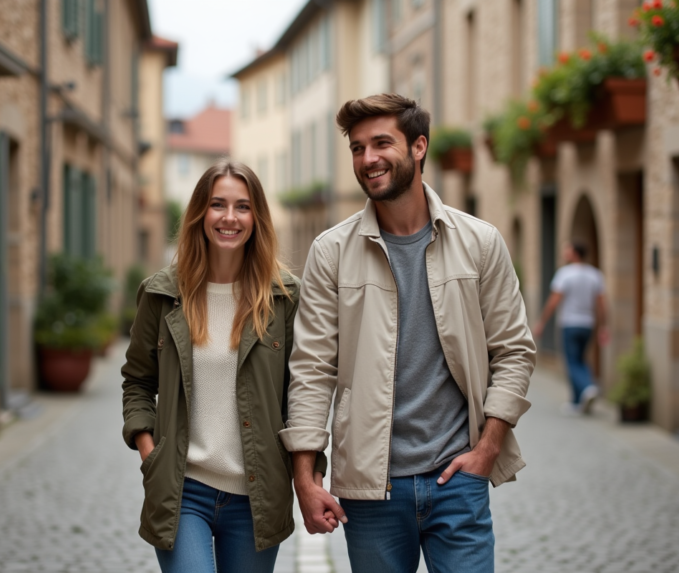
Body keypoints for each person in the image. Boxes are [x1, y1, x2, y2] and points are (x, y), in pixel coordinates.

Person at [279, 94, 536, 573]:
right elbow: (311, 369)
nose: (368, 159)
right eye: (357, 148)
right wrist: (306, 477)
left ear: (419, 147)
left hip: (457, 478)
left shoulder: (480, 242)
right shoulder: (330, 252)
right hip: (371, 489)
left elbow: (515, 351)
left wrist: (488, 447)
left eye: (381, 143)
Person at [121, 161, 323, 573]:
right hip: (181, 492)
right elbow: (137, 381)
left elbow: (305, 392)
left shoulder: (284, 298)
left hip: (257, 496)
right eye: (218, 205)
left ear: (257, 218)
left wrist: (310, 473)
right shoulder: (161, 295)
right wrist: (149, 452)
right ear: (200, 213)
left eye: (242, 207)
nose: (230, 217)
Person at [533, 241, 608, 414]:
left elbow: (554, 301)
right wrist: (604, 325)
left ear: (575, 253)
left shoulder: (565, 274)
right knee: (580, 359)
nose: (565, 252)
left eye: (568, 249)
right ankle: (576, 402)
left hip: (569, 324)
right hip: (588, 324)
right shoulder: (595, 275)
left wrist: (542, 322)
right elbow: (602, 303)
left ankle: (588, 386)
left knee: (572, 361)